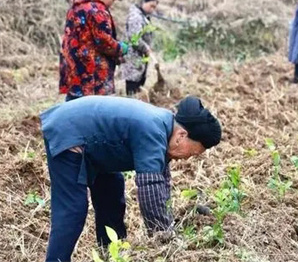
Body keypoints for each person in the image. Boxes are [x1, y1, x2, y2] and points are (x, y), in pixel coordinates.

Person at [41, 95, 222, 262]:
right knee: (72, 209)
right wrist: (164, 240)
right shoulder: (154, 130)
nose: (187, 158)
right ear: (182, 136)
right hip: (69, 132)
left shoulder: (165, 130)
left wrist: (168, 226)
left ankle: (112, 254)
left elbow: (161, 185)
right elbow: (150, 188)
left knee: (112, 192)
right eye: (192, 152)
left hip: (97, 146)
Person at [59, 0, 129, 101]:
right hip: (90, 67)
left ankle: (65, 121)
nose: (112, 4)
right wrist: (120, 48)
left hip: (73, 62)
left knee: (74, 100)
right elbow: (103, 40)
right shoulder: (97, 9)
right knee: (91, 105)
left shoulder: (77, 5)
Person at [121, 0, 159, 96]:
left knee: (138, 87)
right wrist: (146, 49)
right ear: (143, 2)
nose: (152, 9)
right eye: (151, 6)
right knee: (132, 88)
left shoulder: (144, 16)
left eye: (154, 7)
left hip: (140, 59)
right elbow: (135, 39)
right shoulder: (136, 17)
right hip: (134, 59)